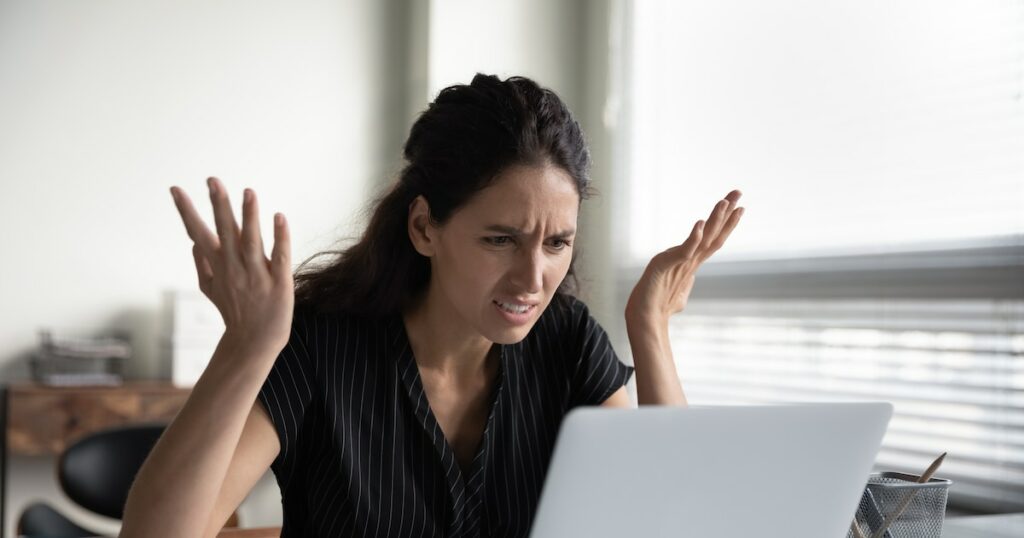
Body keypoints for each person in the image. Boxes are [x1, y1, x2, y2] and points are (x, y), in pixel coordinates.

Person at [120, 74, 743, 538]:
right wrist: (248, 345)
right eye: (501, 239)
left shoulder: (567, 340)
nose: (533, 278)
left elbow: (676, 519)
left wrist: (650, 327)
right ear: (424, 228)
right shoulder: (318, 343)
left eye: (557, 244)